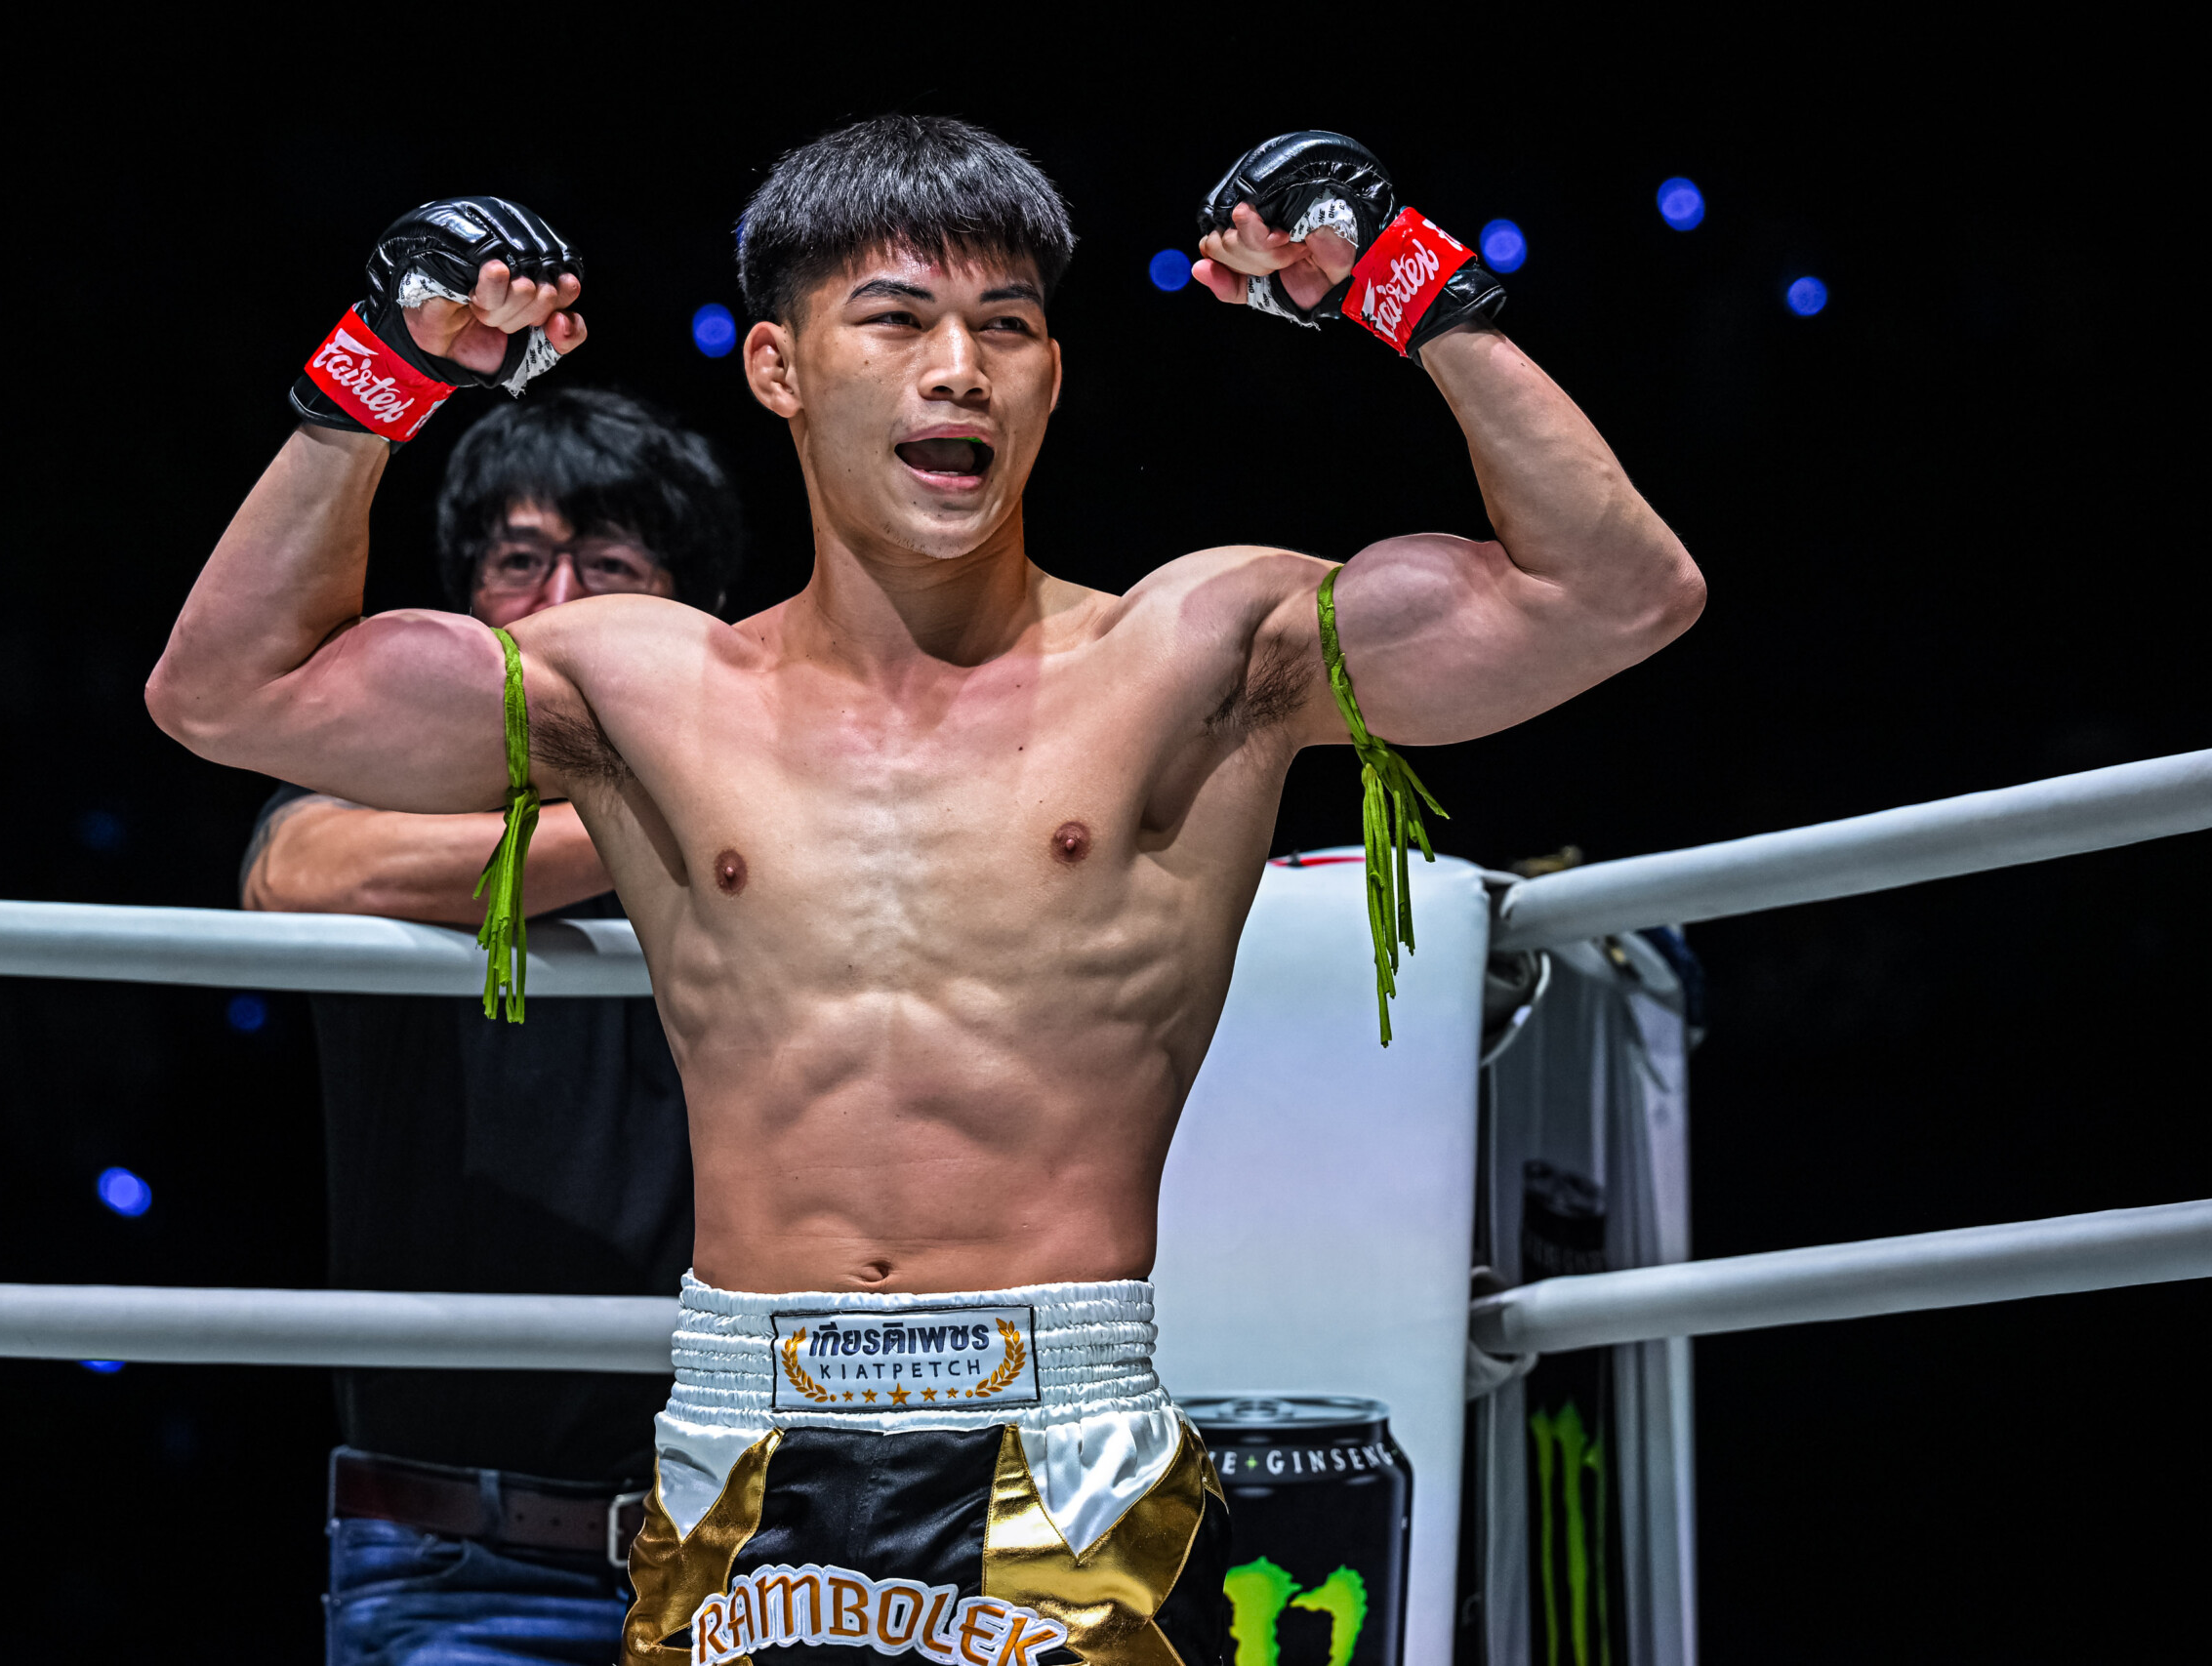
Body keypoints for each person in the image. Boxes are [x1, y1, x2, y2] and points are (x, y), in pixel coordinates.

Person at [147, 120, 1704, 1666]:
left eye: (1006, 329)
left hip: (1065, 1435)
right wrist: (379, 368)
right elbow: (228, 693)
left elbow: (1618, 594)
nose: (958, 368)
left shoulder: (1197, 653)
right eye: (895, 320)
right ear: (780, 369)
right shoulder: (644, 689)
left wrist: (1414, 290)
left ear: (1052, 378)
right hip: (747, 1429)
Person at [237, 387, 746, 1663]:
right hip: (451, 1560)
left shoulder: (769, 820)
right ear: (465, 609)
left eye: (612, 565)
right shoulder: (383, 791)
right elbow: (294, 872)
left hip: (742, 1551)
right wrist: (655, 828)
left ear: (697, 615)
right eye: (519, 561)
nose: (560, 599)